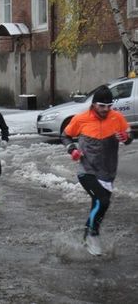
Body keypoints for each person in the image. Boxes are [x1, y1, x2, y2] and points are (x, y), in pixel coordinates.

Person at [62, 86, 133, 256]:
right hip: (87, 170)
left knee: (99, 204)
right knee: (103, 201)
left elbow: (129, 137)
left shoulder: (117, 118)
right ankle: (93, 234)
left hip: (107, 172)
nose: (106, 109)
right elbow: (65, 136)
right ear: (94, 104)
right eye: (102, 105)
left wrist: (126, 138)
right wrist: (73, 150)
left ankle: (87, 235)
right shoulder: (81, 119)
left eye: (109, 106)